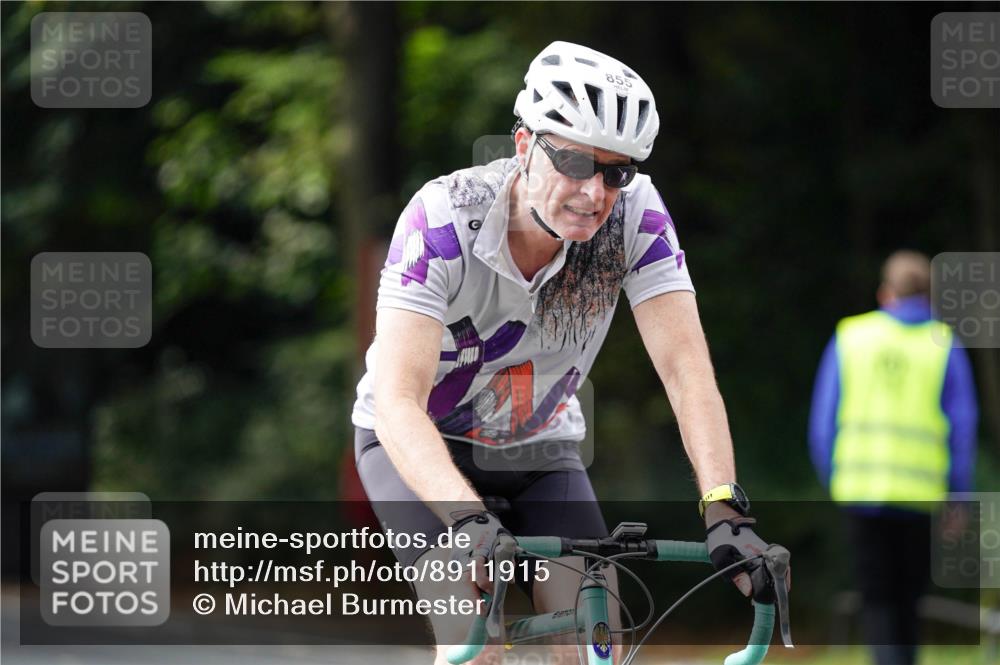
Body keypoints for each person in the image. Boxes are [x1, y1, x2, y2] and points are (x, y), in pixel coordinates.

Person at [352, 41, 781, 664]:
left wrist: (724, 508)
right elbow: (397, 399)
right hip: (416, 446)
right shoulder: (444, 217)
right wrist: (468, 523)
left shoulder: (637, 217)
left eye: (616, 171)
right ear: (524, 147)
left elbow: (686, 371)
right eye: (576, 162)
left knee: (588, 645)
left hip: (539, 447)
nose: (594, 192)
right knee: (477, 645)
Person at [809, 250, 979, 665]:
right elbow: (963, 428)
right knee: (908, 604)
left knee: (877, 602)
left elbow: (822, 424)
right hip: (920, 498)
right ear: (929, 296)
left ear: (886, 293)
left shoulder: (850, 336)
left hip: (861, 494)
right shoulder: (945, 345)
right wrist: (957, 497)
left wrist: (835, 478)